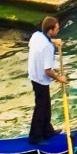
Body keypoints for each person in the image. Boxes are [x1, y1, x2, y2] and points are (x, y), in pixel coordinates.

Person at [27, 16, 64, 144]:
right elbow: (47, 70)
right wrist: (60, 78)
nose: (58, 31)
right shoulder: (48, 47)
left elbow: (39, 44)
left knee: (46, 105)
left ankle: (47, 131)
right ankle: (35, 137)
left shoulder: (36, 35)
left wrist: (54, 41)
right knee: (41, 107)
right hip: (40, 78)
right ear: (50, 31)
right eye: (56, 29)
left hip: (33, 74)